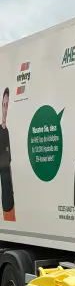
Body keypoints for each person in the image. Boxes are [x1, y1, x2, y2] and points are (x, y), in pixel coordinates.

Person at [0, 88, 15, 221]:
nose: (5, 109)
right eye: (4, 105)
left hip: (10, 189)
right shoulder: (1, 131)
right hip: (5, 198)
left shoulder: (10, 130)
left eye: (7, 105)